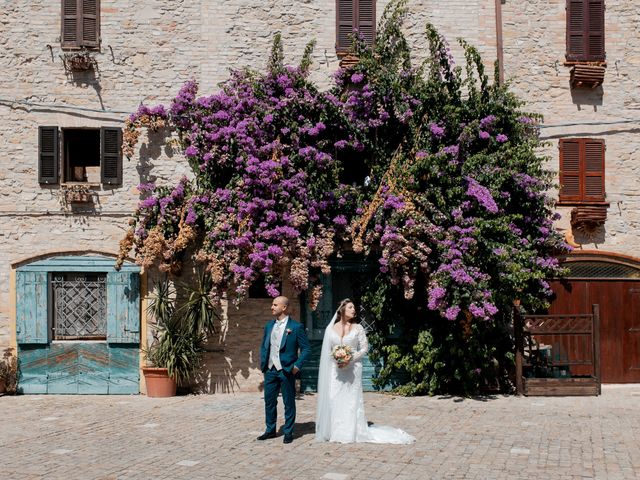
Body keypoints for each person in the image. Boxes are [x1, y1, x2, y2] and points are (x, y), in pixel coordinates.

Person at [315, 298, 415, 444]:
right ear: (342, 310)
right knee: (334, 398)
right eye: (350, 307)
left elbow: (364, 348)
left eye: (354, 308)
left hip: (353, 369)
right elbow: (328, 351)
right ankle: (335, 431)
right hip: (335, 371)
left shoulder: (358, 328)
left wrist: (350, 358)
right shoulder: (330, 329)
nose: (353, 310)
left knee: (350, 400)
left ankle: (351, 432)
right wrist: (337, 359)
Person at [258, 295, 311, 444]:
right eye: (272, 305)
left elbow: (306, 349)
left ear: (284, 307)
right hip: (270, 370)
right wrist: (264, 364)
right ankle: (270, 430)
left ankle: (288, 432)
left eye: (275, 305)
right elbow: (265, 346)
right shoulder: (269, 325)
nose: (272, 307)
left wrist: (296, 366)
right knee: (269, 401)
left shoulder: (296, 327)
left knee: (289, 402)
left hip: (287, 370)